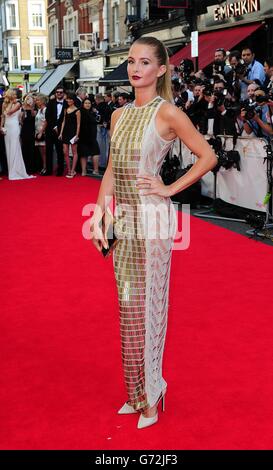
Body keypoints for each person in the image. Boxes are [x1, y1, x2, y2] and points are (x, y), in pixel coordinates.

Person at [90, 36, 217, 430]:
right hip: (124, 220)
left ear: (160, 69)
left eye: (145, 62)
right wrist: (99, 211)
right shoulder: (118, 115)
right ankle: (138, 392)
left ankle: (151, 393)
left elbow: (208, 156)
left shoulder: (168, 114)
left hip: (152, 221)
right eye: (131, 61)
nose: (135, 68)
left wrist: (168, 188)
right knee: (128, 308)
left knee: (147, 309)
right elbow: (111, 169)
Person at [0, 89, 35, 180]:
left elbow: (9, 112)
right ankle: (11, 170)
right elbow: (3, 116)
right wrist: (1, 127)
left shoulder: (18, 103)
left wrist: (11, 102)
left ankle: (16, 171)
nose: (15, 96)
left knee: (15, 147)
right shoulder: (4, 104)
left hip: (14, 127)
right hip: (7, 127)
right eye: (14, 94)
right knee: (8, 148)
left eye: (15, 95)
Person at [45, 86, 67, 176]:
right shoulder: (51, 103)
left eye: (61, 92)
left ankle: (60, 171)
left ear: (63, 93)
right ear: (55, 93)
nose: (59, 94)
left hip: (61, 131)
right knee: (48, 151)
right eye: (57, 92)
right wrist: (54, 126)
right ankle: (49, 170)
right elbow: (47, 116)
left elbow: (66, 118)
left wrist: (59, 127)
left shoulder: (66, 103)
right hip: (50, 130)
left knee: (60, 151)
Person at [59, 91, 81, 178]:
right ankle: (68, 170)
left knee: (74, 152)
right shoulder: (65, 109)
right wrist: (61, 132)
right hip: (65, 132)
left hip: (73, 133)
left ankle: (73, 170)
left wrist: (77, 135)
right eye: (67, 99)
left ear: (73, 100)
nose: (68, 100)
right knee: (65, 152)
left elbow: (79, 124)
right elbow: (64, 121)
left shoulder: (77, 111)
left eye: (70, 99)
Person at [78, 97, 100, 176]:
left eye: (89, 103)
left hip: (92, 136)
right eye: (86, 103)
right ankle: (85, 171)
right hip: (84, 135)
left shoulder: (92, 112)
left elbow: (98, 120)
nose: (87, 104)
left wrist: (96, 112)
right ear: (83, 104)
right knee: (84, 154)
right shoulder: (80, 112)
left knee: (95, 152)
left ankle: (95, 170)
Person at [20, 93, 36, 174]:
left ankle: (32, 168)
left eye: (30, 99)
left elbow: (34, 116)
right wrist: (24, 110)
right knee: (24, 148)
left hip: (32, 130)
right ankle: (25, 168)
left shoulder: (34, 108)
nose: (29, 100)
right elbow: (21, 121)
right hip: (24, 130)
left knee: (31, 149)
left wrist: (31, 107)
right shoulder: (22, 108)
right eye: (27, 99)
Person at [35, 93, 48, 174]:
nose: (36, 101)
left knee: (44, 152)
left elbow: (46, 121)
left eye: (38, 100)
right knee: (41, 152)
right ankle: (44, 167)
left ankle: (46, 167)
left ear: (42, 101)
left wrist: (41, 131)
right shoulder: (39, 110)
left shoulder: (46, 109)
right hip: (37, 132)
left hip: (43, 133)